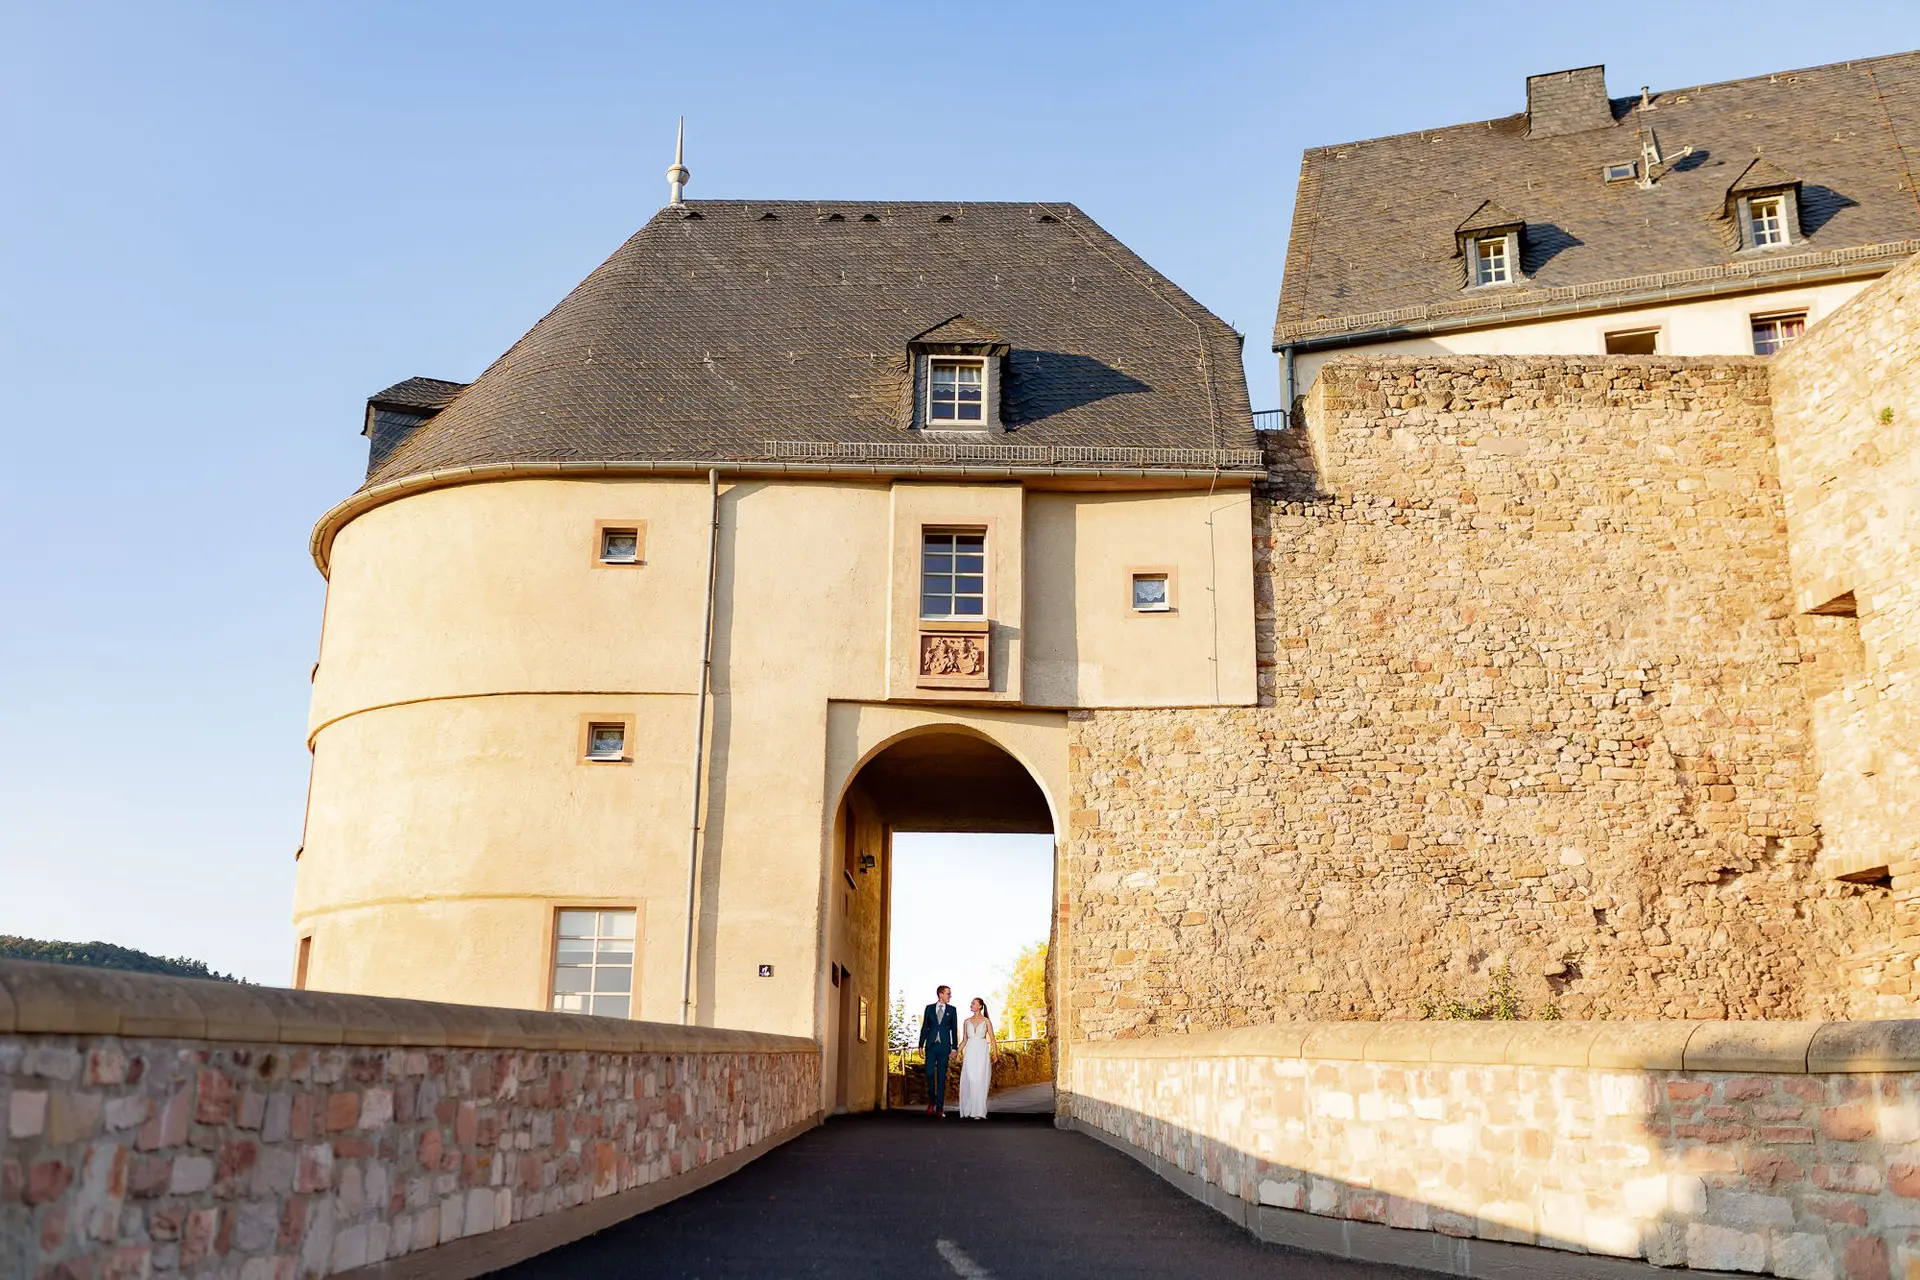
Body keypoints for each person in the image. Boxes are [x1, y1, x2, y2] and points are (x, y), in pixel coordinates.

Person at [918, 985, 959, 1117]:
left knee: (941, 1077)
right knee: (929, 1074)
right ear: (940, 994)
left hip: (944, 1048)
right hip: (931, 1046)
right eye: (948, 994)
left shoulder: (952, 1010)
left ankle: (940, 1107)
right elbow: (925, 1027)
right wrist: (920, 1045)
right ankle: (931, 1101)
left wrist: (954, 1048)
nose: (950, 996)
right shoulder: (929, 1008)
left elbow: (954, 1029)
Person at [958, 997, 994, 1120]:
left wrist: (995, 1054)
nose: (971, 1005)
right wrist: (956, 1052)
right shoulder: (966, 1021)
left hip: (982, 1052)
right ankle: (968, 1108)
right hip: (970, 1052)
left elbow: (993, 1039)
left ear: (980, 1006)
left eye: (973, 1003)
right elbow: (964, 1040)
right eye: (971, 1003)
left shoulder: (986, 1021)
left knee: (980, 1079)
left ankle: (978, 1111)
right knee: (970, 1078)